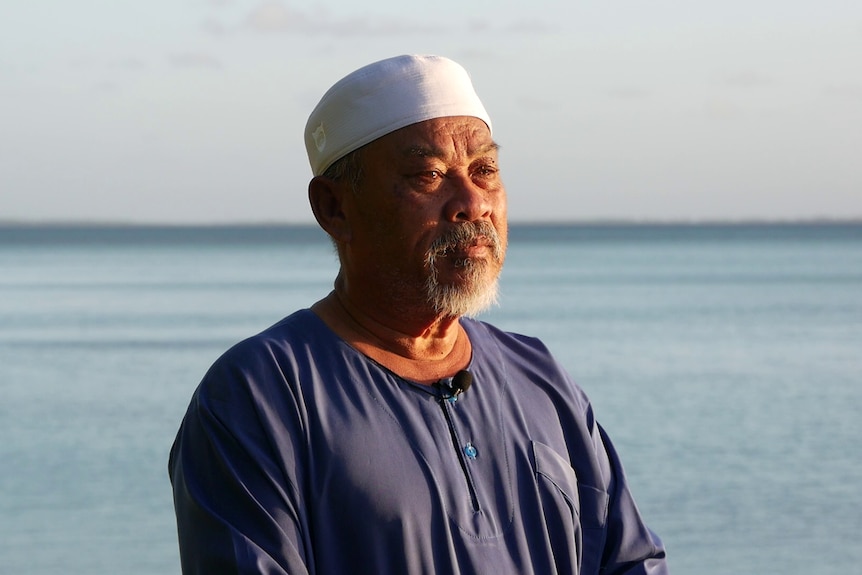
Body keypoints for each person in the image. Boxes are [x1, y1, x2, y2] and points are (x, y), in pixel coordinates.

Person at [169, 54, 668, 574]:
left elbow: (631, 562)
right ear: (334, 209)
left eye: (485, 170)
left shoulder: (538, 377)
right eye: (428, 175)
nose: (473, 203)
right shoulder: (260, 395)